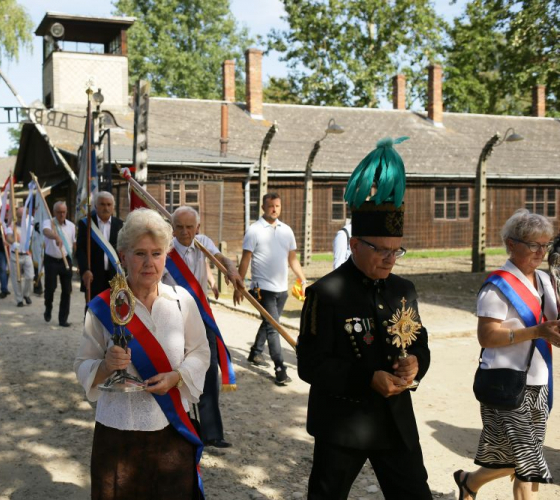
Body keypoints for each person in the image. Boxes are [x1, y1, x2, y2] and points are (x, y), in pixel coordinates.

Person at [297, 137, 432, 499]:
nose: (390, 260)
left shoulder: (403, 289)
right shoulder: (325, 293)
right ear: (355, 245)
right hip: (344, 423)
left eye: (396, 251)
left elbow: (419, 340)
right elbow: (310, 364)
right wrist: (367, 378)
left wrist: (417, 362)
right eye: (381, 251)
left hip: (395, 420)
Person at [74, 208, 210, 499]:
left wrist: (178, 377)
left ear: (166, 256)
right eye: (139, 254)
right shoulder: (102, 307)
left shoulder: (182, 301)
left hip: (171, 433)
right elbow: (83, 365)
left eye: (157, 253)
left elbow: (200, 352)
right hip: (116, 435)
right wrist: (106, 365)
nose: (149, 263)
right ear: (123, 256)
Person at [454, 209, 560, 500]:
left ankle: (469, 483)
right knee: (528, 462)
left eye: (545, 245)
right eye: (534, 245)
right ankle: (470, 483)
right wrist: (537, 332)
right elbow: (486, 336)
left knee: (516, 458)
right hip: (505, 382)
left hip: (540, 381)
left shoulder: (547, 281)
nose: (541, 252)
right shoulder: (497, 285)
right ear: (511, 244)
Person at [161, 206, 242, 449]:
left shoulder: (203, 242)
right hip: (171, 318)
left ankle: (212, 433)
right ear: (172, 228)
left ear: (198, 228)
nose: (185, 232)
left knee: (208, 369)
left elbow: (221, 258)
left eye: (189, 227)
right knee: (175, 372)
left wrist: (231, 268)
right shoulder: (165, 249)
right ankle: (177, 428)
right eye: (180, 227)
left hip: (200, 316)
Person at [234, 193, 307, 385]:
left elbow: (292, 259)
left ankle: (255, 352)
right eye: (271, 206)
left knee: (270, 323)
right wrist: (238, 286)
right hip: (261, 288)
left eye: (277, 206)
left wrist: (303, 279)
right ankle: (280, 368)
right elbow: (245, 260)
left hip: (281, 288)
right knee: (275, 327)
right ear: (263, 208)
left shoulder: (287, 231)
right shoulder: (254, 230)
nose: (274, 209)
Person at [76, 191, 124, 301]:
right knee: (92, 312)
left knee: (114, 313)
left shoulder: (120, 225)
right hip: (93, 276)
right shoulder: (86, 224)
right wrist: (85, 270)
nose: (105, 208)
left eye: (109, 204)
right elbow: (80, 250)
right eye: (102, 204)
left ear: (113, 207)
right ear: (96, 206)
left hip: (115, 276)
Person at [42, 201, 76, 326]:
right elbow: (46, 231)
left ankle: (63, 319)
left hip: (66, 260)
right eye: (59, 212)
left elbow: (73, 243)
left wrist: (72, 255)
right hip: (51, 260)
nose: (61, 214)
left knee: (67, 290)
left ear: (66, 212)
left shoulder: (71, 226)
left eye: (63, 212)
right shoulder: (49, 222)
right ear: (54, 212)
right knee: (50, 288)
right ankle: (48, 307)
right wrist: (56, 237)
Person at [4, 206, 35, 307]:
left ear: (26, 216)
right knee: (16, 278)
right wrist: (13, 242)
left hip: (26, 255)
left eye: (21, 216)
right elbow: (8, 237)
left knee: (30, 276)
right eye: (18, 216)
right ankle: (19, 299)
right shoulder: (11, 226)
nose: (19, 218)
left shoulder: (30, 227)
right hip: (15, 255)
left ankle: (26, 294)